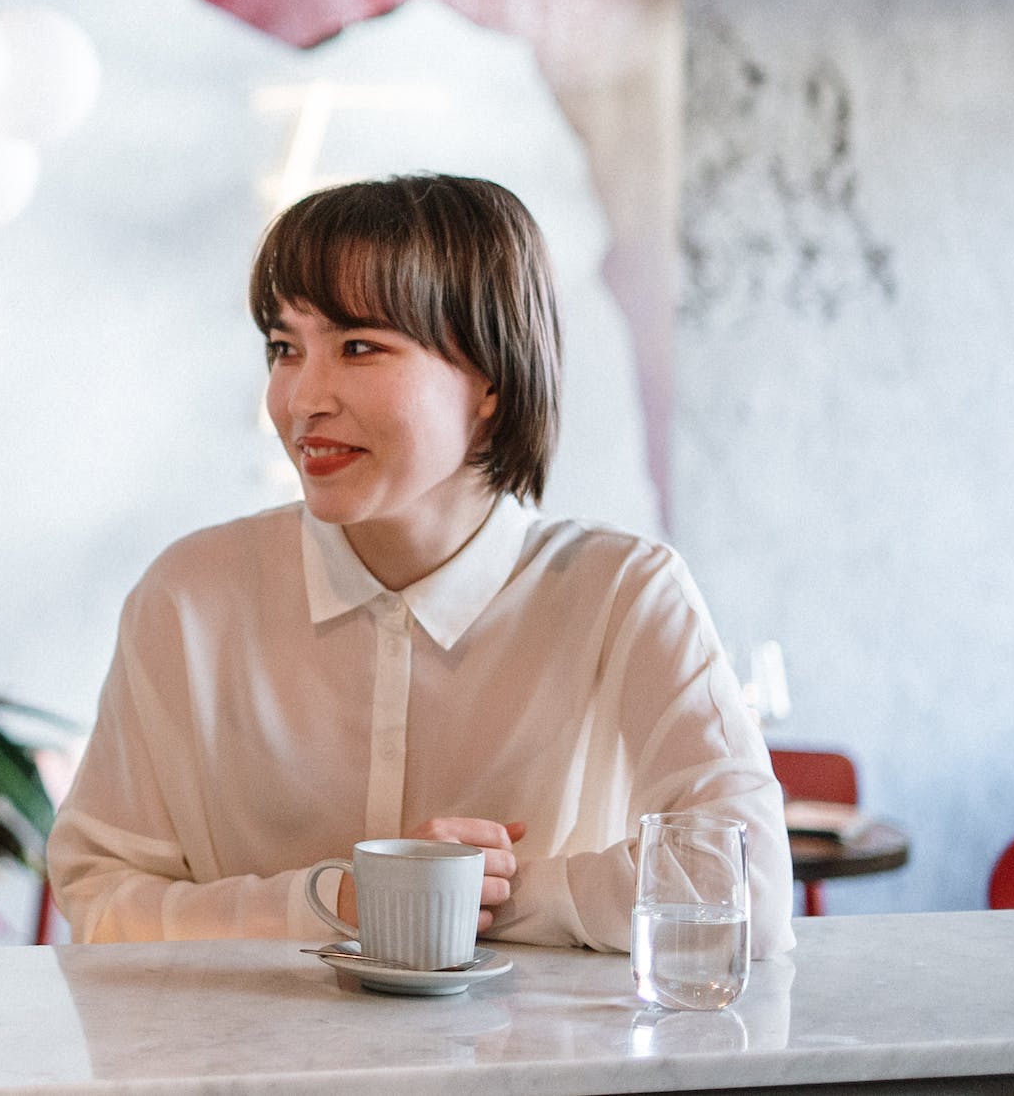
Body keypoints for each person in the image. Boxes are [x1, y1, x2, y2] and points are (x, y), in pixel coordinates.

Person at [48, 174, 792, 956]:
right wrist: (338, 899)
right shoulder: (189, 596)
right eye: (284, 348)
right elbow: (102, 898)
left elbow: (749, 892)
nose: (302, 398)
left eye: (358, 346)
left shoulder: (624, 593)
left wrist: (459, 894)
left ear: (491, 381)